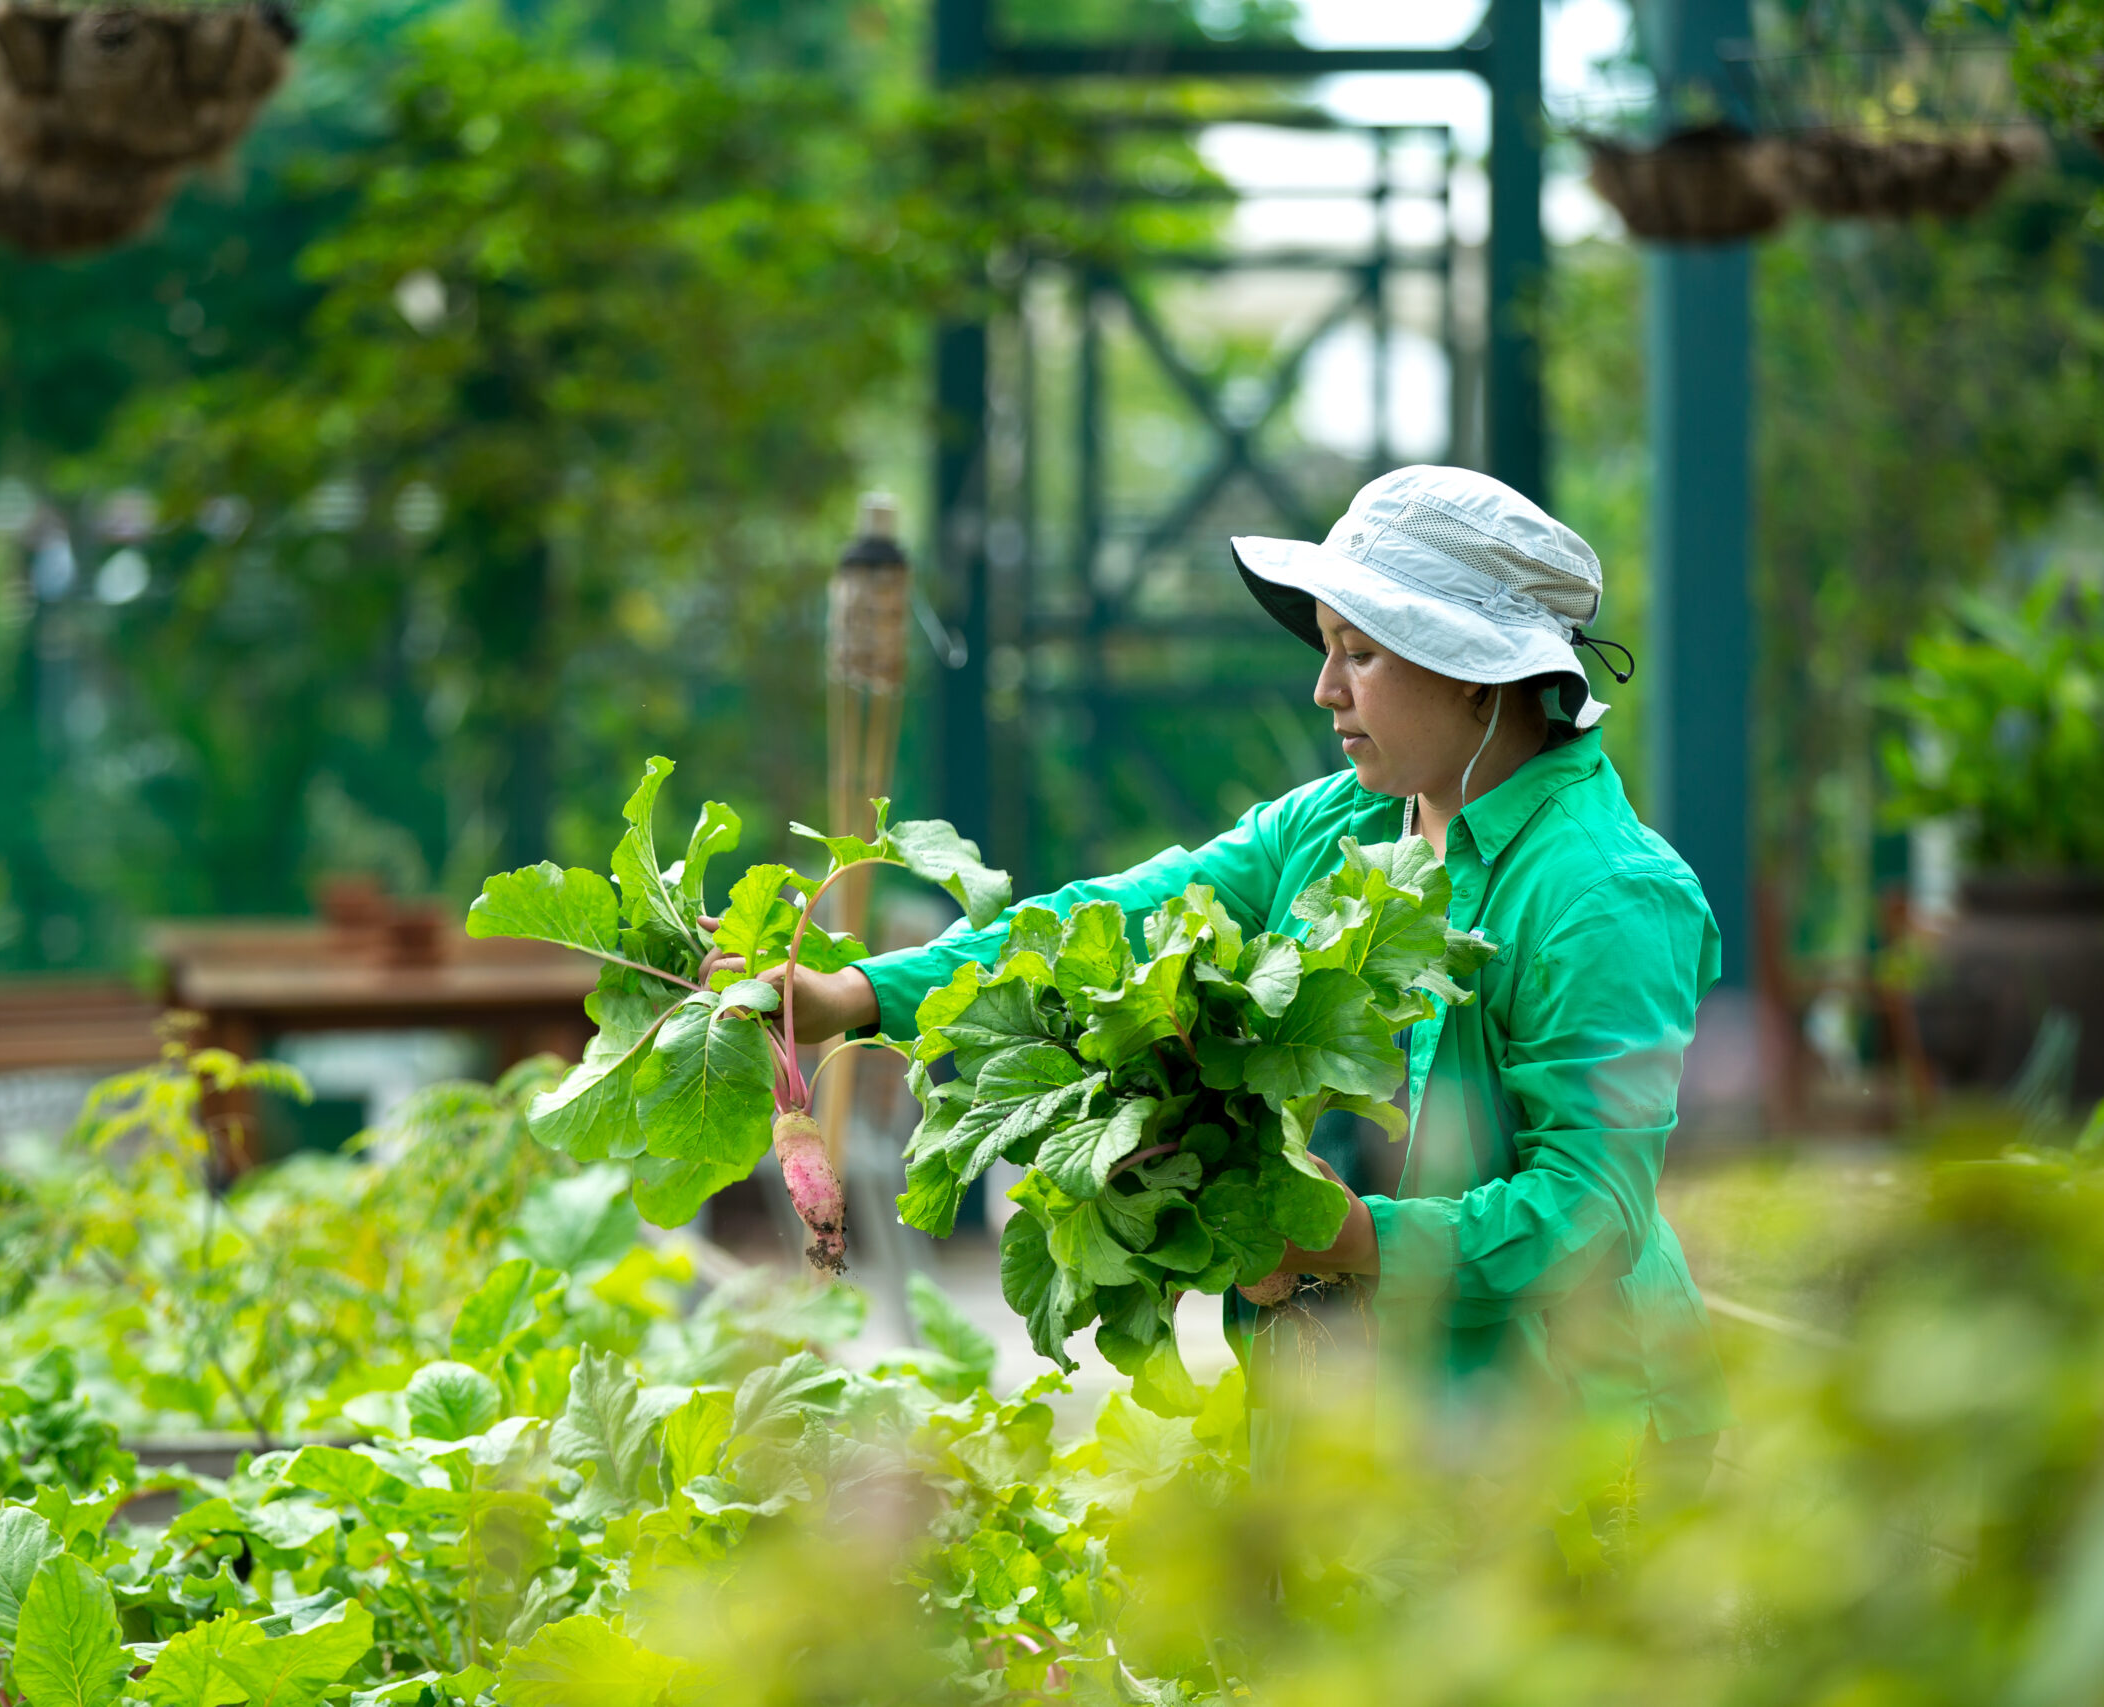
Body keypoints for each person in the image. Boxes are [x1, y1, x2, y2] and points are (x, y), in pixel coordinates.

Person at [738, 464, 1729, 1489]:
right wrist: (853, 995)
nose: (1325, 689)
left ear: (1472, 669)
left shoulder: (1602, 893)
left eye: (1361, 653)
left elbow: (1586, 1216)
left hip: (1569, 1438)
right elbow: (1109, 918)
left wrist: (1334, 1237)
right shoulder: (1340, 821)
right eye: (1326, 650)